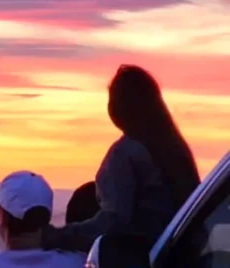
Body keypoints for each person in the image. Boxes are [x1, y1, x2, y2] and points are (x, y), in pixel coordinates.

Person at [43, 64, 200, 252]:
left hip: (140, 262)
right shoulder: (175, 150)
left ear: (120, 107)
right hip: (181, 258)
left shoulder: (125, 153)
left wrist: (57, 237)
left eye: (111, 100)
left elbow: (113, 221)